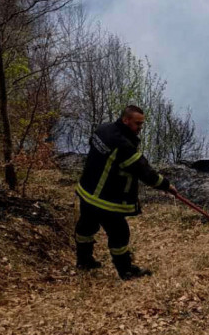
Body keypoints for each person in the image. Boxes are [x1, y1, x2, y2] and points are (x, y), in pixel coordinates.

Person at [74, 105, 178, 280]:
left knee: (86, 227)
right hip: (105, 201)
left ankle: (84, 261)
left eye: (142, 124)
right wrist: (167, 186)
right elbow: (146, 173)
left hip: (86, 192)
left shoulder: (103, 128)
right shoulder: (124, 146)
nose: (140, 128)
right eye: (137, 124)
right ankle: (126, 271)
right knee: (120, 234)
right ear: (125, 120)